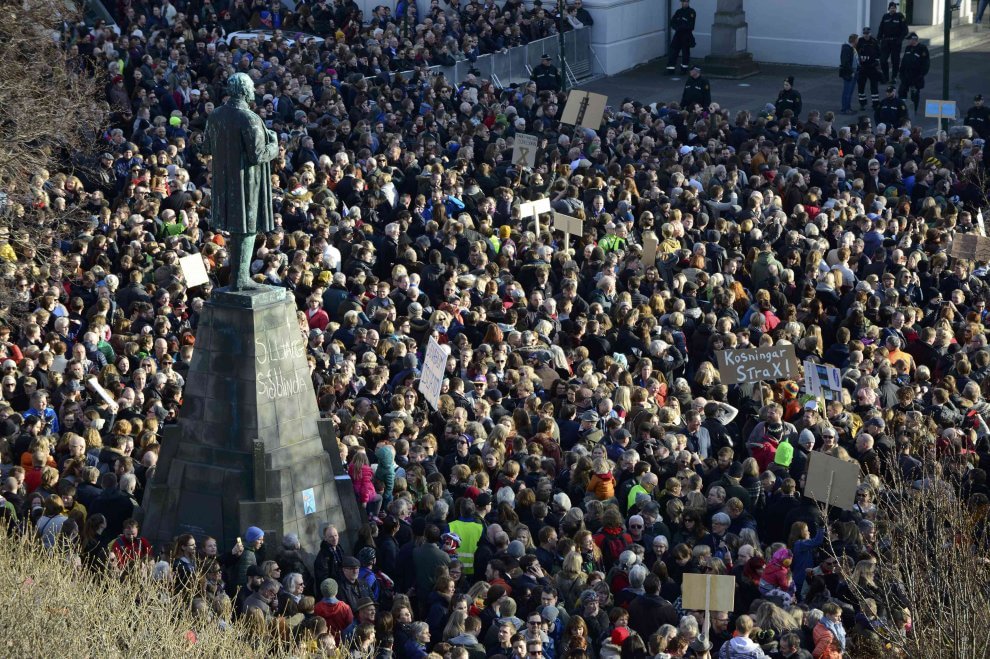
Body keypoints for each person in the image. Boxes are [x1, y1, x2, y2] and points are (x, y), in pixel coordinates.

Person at [201, 72, 279, 291]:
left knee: (238, 230)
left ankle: (238, 277)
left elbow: (205, 147)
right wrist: (274, 145)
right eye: (251, 87)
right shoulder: (249, 118)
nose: (253, 90)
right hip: (247, 183)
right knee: (247, 229)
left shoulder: (216, 115)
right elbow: (258, 155)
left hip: (224, 183)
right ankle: (241, 278)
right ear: (244, 90)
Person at [897, 32, 929, 113]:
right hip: (906, 75)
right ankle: (903, 109)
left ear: (914, 40)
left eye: (909, 39)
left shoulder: (922, 48)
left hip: (916, 76)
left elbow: (925, 63)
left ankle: (914, 110)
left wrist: (921, 75)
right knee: (901, 91)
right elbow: (904, 60)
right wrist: (901, 72)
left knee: (914, 94)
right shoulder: (908, 48)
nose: (908, 41)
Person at [876, 2, 908, 83]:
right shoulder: (885, 16)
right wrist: (878, 38)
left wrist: (900, 39)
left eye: (894, 8)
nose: (893, 9)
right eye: (891, 8)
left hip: (896, 42)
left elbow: (905, 30)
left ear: (896, 9)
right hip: (886, 42)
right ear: (889, 9)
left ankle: (894, 77)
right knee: (883, 60)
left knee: (895, 61)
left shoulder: (900, 16)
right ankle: (886, 77)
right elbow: (881, 28)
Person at [856, 26, 882, 110]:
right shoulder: (860, 41)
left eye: (867, 33)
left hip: (872, 67)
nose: (866, 35)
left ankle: (875, 104)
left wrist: (877, 61)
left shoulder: (874, 41)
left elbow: (879, 53)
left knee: (874, 87)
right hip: (862, 67)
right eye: (864, 33)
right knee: (861, 86)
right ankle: (862, 104)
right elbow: (856, 52)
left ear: (870, 33)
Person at [667, 0, 697, 74]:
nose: (685, 3)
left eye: (686, 2)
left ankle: (684, 70)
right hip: (678, 34)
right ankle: (670, 69)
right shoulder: (678, 12)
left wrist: (681, 27)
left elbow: (691, 25)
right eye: (684, 2)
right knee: (673, 51)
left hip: (686, 35)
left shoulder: (691, 12)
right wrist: (677, 27)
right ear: (681, 3)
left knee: (685, 53)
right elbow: (672, 22)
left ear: (688, 2)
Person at [839, 34, 860, 114]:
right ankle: (845, 109)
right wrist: (851, 72)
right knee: (847, 91)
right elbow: (845, 62)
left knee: (850, 91)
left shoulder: (851, 48)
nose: (858, 41)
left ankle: (848, 107)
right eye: (857, 39)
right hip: (849, 73)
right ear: (854, 40)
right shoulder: (847, 49)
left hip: (854, 72)